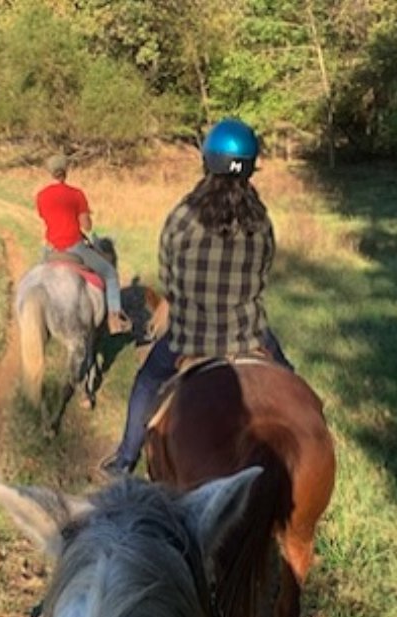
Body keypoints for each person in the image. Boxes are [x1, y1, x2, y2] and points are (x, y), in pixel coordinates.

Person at [100, 117, 294, 477]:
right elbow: (262, 273)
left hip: (189, 334)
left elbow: (170, 278)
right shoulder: (262, 219)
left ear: (208, 160)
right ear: (250, 167)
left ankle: (124, 460)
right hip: (249, 333)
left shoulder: (183, 215)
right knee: (292, 385)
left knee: (146, 382)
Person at [36, 153, 128, 334]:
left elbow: (44, 217)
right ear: (66, 171)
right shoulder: (76, 194)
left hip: (51, 249)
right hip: (74, 247)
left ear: (50, 172)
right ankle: (114, 319)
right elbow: (86, 225)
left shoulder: (41, 195)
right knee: (110, 274)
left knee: (38, 281)